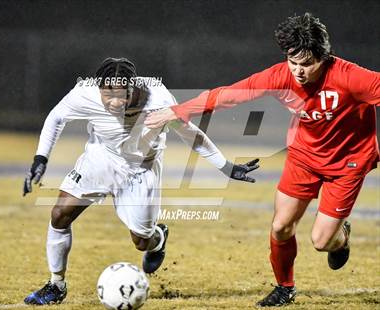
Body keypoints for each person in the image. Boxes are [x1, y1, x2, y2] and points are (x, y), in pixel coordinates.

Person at [145, 13, 380, 307]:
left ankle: (341, 236)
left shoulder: (352, 78)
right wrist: (178, 111)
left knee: (321, 242)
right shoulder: (279, 76)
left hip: (348, 164)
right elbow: (227, 96)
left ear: (325, 57)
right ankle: (285, 287)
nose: (298, 71)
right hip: (304, 157)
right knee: (281, 226)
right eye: (293, 62)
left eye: (307, 64)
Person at [22, 57, 260, 305]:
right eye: (107, 94)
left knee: (141, 241)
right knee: (60, 214)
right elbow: (56, 118)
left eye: (121, 95)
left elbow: (190, 134)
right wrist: (41, 158)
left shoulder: (158, 97)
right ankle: (56, 285)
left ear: (133, 87)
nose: (114, 102)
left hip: (141, 169)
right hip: (100, 159)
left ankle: (157, 239)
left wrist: (225, 166)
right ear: (98, 87)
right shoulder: (84, 92)